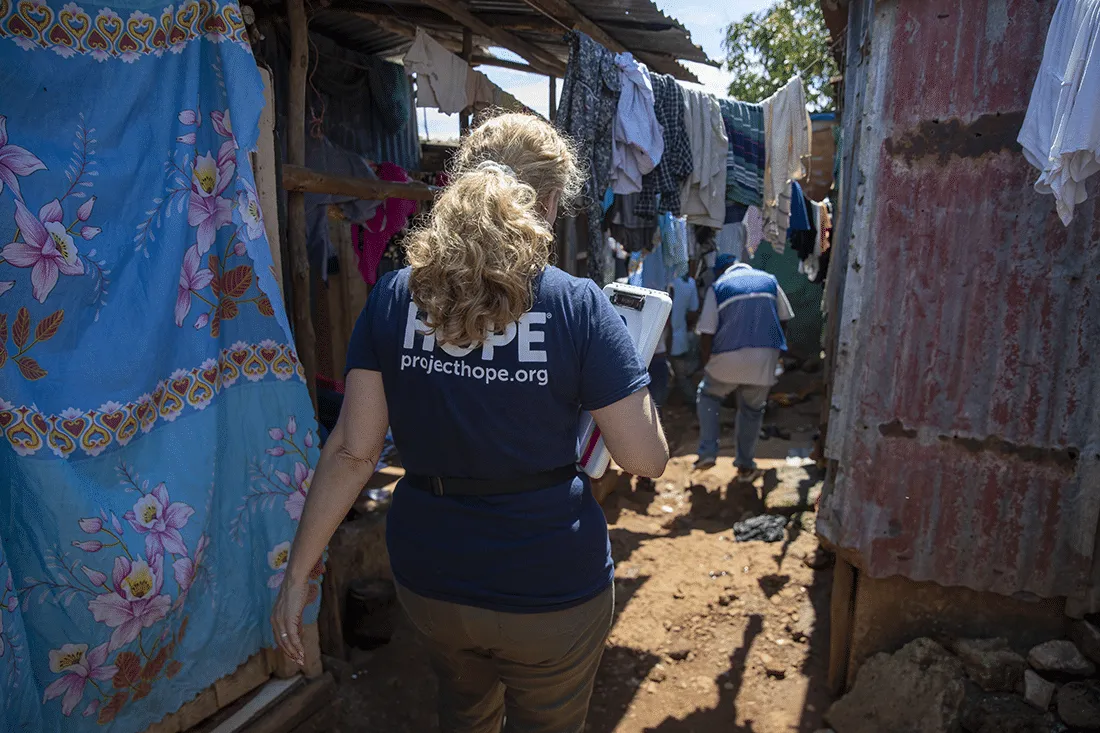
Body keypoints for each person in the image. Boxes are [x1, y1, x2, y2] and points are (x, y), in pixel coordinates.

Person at [271, 113, 669, 733]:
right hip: (550, 586)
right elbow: (644, 458)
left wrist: (299, 574)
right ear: (547, 203)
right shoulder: (579, 306)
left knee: (465, 714)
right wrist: (629, 370)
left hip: (433, 582)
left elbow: (352, 452)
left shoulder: (394, 296)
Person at [693, 253, 793, 480]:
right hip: (764, 357)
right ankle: (745, 465)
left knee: (708, 396)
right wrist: (776, 353)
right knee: (752, 410)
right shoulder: (770, 280)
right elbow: (785, 318)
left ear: (721, 271)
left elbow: (707, 333)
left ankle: (707, 452)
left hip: (726, 358)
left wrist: (707, 364)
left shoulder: (719, 287)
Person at [667, 272, 700, 404]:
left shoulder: (646, 276)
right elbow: (693, 311)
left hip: (656, 343)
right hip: (679, 341)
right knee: (682, 378)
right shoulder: (688, 282)